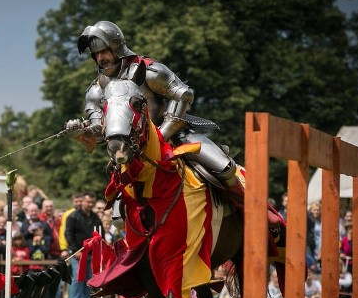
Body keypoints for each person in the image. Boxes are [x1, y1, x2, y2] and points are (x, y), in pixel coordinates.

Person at [67, 21, 241, 198]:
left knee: (224, 168)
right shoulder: (96, 91)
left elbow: (183, 95)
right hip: (131, 151)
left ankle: (259, 214)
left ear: (116, 47)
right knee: (118, 216)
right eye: (96, 54)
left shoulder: (149, 71)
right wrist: (82, 133)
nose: (100, 58)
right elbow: (100, 132)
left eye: (104, 51)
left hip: (175, 137)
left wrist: (159, 138)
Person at [65, 191, 103, 298]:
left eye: (92, 202)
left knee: (88, 279)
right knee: (77, 278)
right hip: (78, 254)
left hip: (91, 254)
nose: (90, 204)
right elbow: (68, 234)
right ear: (82, 202)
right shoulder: (73, 216)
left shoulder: (95, 218)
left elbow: (101, 234)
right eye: (88, 202)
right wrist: (76, 251)